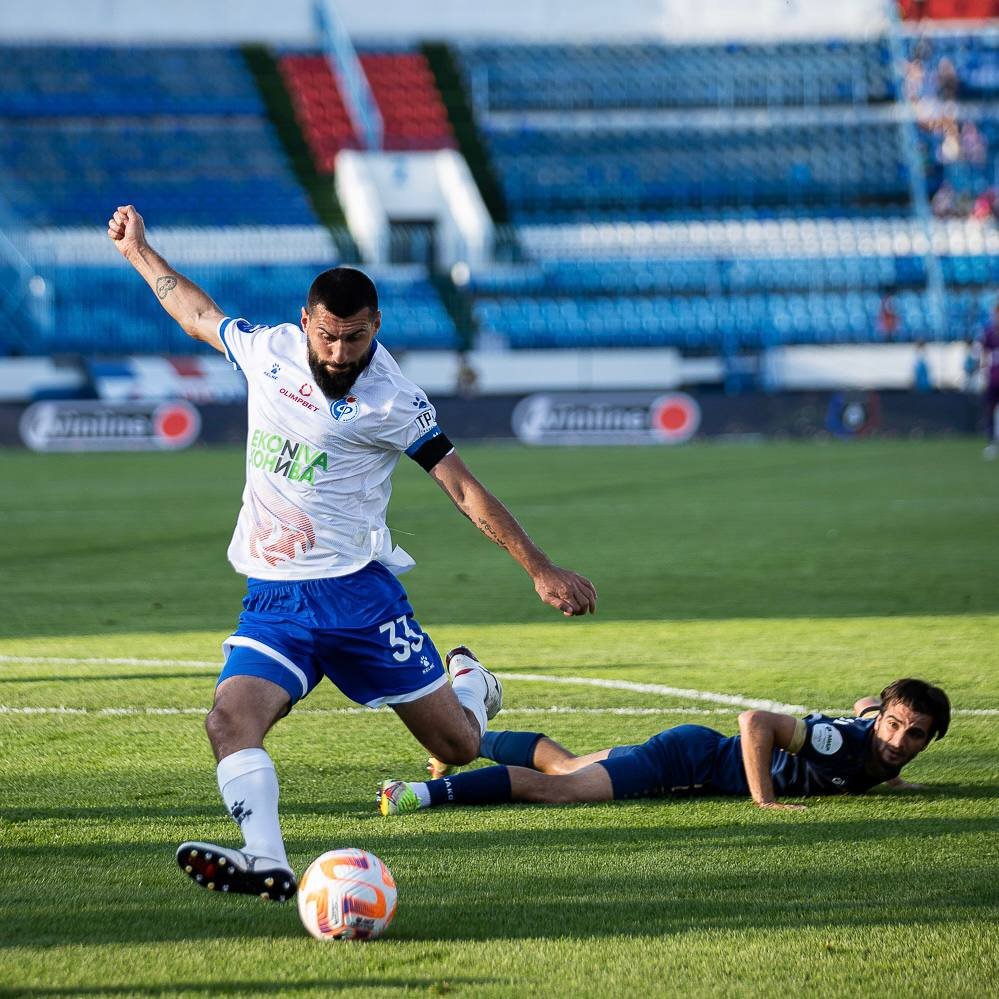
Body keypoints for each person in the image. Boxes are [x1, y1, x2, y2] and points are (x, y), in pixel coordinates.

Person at [106, 205, 597, 902]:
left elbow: (462, 487)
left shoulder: (393, 399)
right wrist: (138, 251)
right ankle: (267, 859)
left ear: (376, 327)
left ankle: (470, 685)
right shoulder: (268, 351)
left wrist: (539, 567)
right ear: (305, 322)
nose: (340, 353)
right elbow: (197, 314)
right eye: (329, 336)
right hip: (274, 598)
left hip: (358, 597)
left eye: (356, 338)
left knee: (457, 747)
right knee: (229, 720)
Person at [379, 676, 949, 815]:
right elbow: (755, 722)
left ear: (930, 738)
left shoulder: (875, 731)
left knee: (568, 764)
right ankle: (419, 795)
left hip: (690, 750)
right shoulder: (836, 743)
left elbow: (866, 706)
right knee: (564, 790)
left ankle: (469, 730)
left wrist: (891, 771)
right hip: (686, 761)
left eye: (914, 733)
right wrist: (765, 800)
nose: (898, 738)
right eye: (892, 725)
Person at [981, 303, 999, 459]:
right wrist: (984, 373)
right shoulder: (989, 332)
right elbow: (984, 354)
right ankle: (991, 442)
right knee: (990, 410)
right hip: (993, 379)